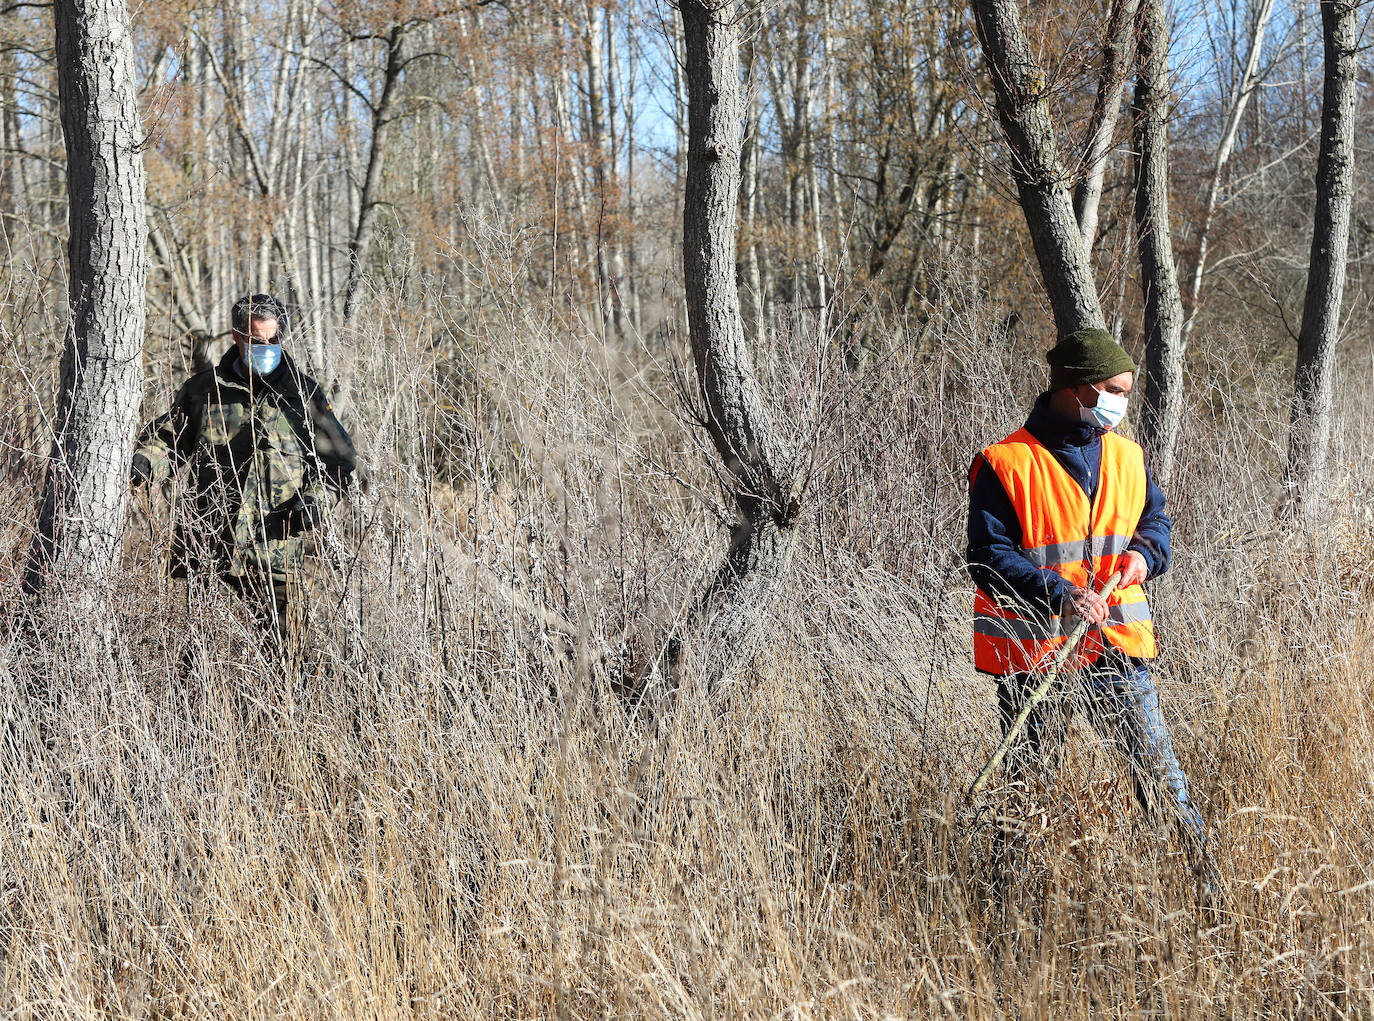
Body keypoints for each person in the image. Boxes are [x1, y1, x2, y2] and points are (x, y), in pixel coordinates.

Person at [967, 327, 1215, 893]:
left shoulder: (1129, 457)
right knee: (1024, 790)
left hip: (1117, 653)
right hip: (1036, 657)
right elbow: (986, 556)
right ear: (1076, 388)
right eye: (1112, 389)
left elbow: (1156, 524)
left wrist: (1143, 557)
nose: (1121, 403)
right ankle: (1003, 906)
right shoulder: (1004, 463)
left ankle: (1207, 896)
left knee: (1161, 779)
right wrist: (1059, 593)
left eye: (1126, 391)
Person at [131, 293, 355, 638]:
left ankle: (285, 694)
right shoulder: (204, 390)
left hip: (275, 547)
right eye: (255, 340)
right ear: (236, 337)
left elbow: (338, 464)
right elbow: (169, 440)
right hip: (209, 539)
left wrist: (314, 504)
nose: (265, 347)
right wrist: (145, 462)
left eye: (273, 339)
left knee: (286, 649)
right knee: (199, 651)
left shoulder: (303, 395)